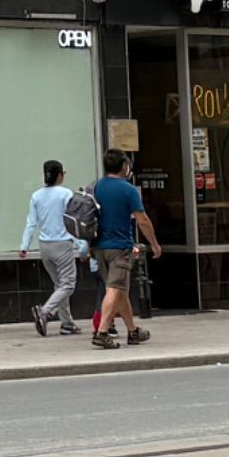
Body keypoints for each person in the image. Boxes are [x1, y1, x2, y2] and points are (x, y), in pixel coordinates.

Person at [90, 148, 159, 348]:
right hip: (120, 247)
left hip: (99, 247)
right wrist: (154, 244)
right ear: (123, 166)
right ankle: (102, 332)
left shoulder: (97, 187)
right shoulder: (128, 190)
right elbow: (142, 220)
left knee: (120, 290)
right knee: (114, 289)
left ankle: (133, 331)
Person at [20, 157, 87, 337]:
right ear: (59, 175)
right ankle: (45, 312)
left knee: (60, 285)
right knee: (68, 285)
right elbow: (73, 221)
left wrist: (24, 245)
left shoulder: (36, 196)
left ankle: (67, 323)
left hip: (45, 246)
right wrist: (82, 245)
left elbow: (31, 223)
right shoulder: (66, 194)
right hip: (62, 244)